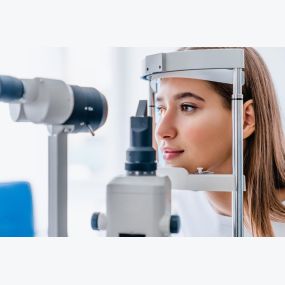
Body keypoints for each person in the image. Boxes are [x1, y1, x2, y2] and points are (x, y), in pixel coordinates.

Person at [152, 47, 285, 237]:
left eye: (187, 107)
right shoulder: (170, 209)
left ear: (245, 119)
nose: (161, 130)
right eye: (161, 108)